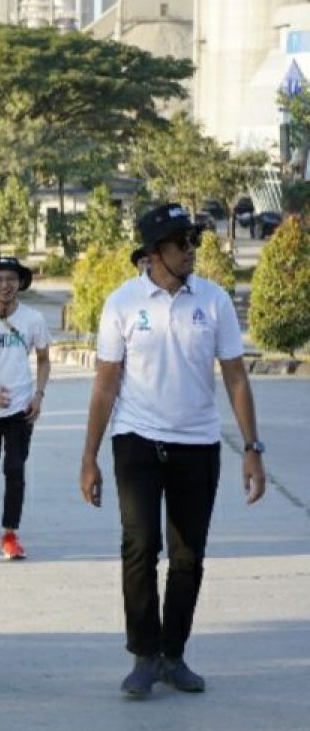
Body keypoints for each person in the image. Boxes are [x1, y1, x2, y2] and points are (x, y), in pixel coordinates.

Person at [80, 204, 266, 698]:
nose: (191, 250)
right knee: (140, 547)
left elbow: (235, 376)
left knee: (189, 557)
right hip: (136, 441)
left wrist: (251, 448)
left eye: (194, 241)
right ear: (154, 252)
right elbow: (104, 387)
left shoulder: (215, 301)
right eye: (182, 242)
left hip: (199, 444)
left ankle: (173, 654)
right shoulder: (121, 304)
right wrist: (89, 459)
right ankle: (144, 654)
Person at [0, 256, 51, 559]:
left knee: (15, 469)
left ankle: (10, 533)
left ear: (20, 284)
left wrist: (38, 395)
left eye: (11, 279)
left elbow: (43, 359)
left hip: (21, 409)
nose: (4, 285)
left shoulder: (34, 319)